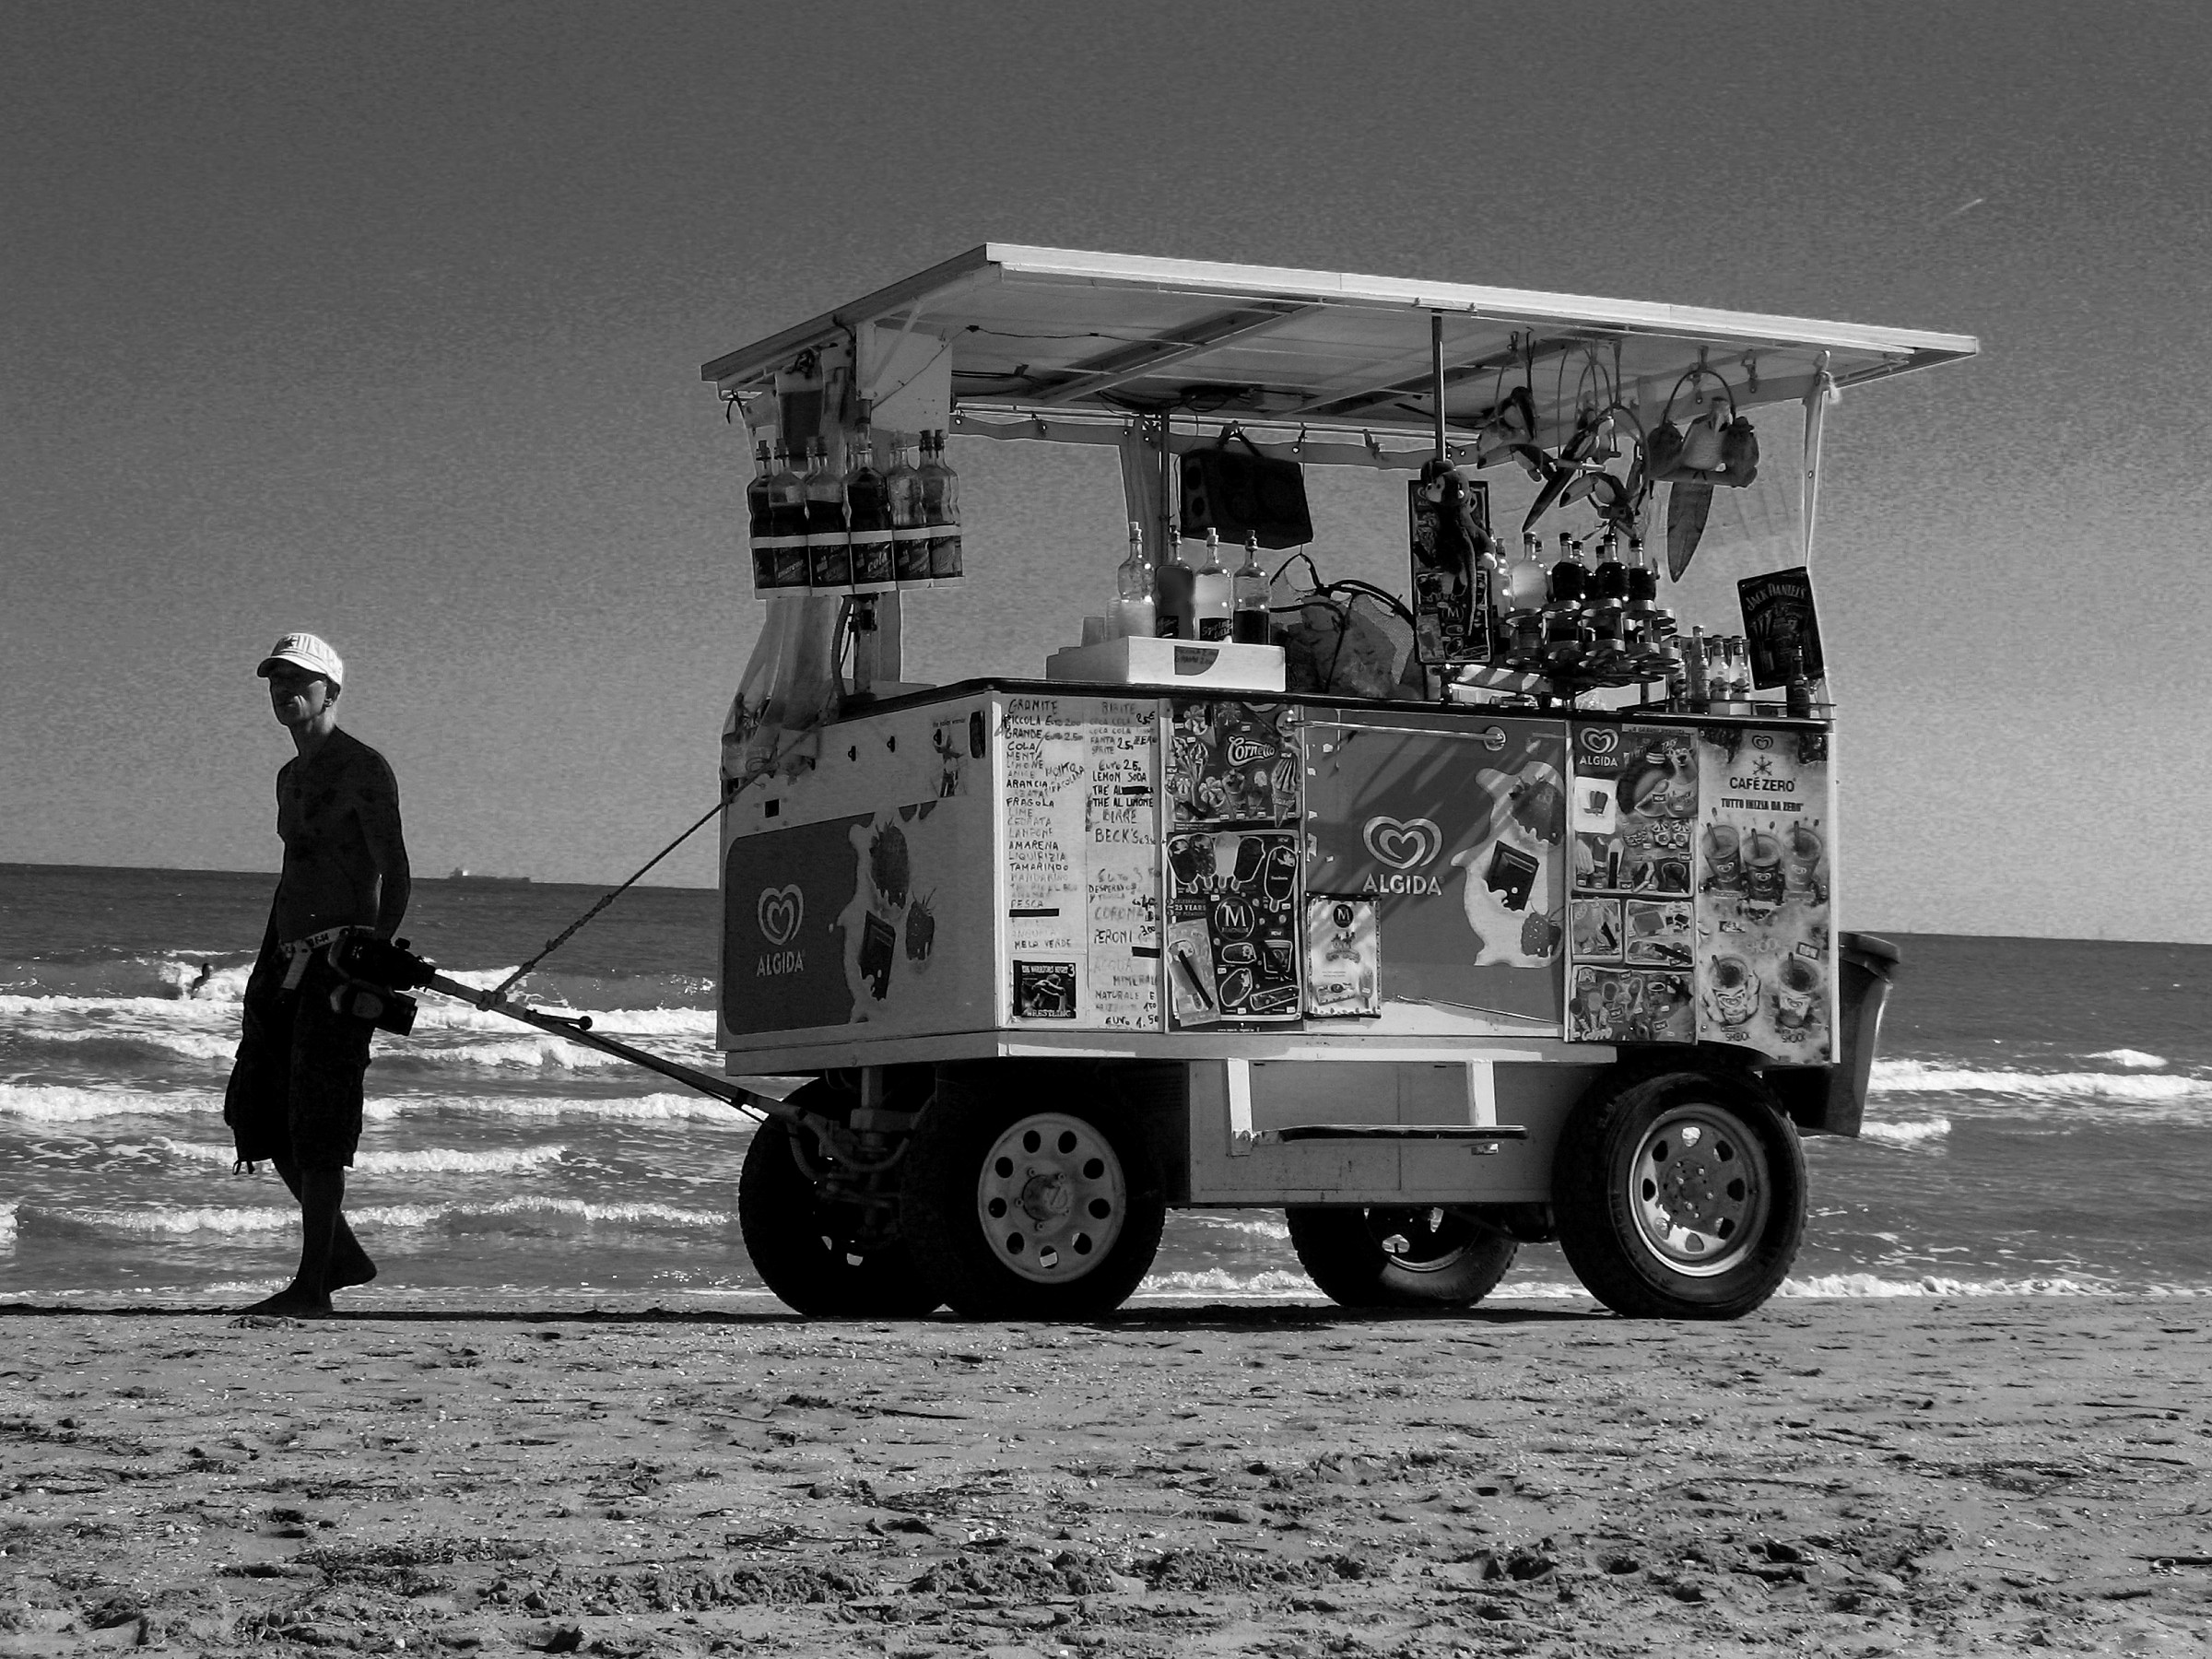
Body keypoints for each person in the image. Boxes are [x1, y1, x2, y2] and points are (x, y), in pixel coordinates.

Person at [223, 631, 411, 1315]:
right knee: (260, 1110)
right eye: (275, 679)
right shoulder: (289, 777)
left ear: (329, 690)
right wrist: (263, 967)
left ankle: (314, 1285)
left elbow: (395, 867)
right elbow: (291, 877)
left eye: (297, 680)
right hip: (285, 961)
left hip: (340, 963)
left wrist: (374, 957)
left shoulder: (363, 767)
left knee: (320, 1124)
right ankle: (342, 1254)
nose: (284, 691)